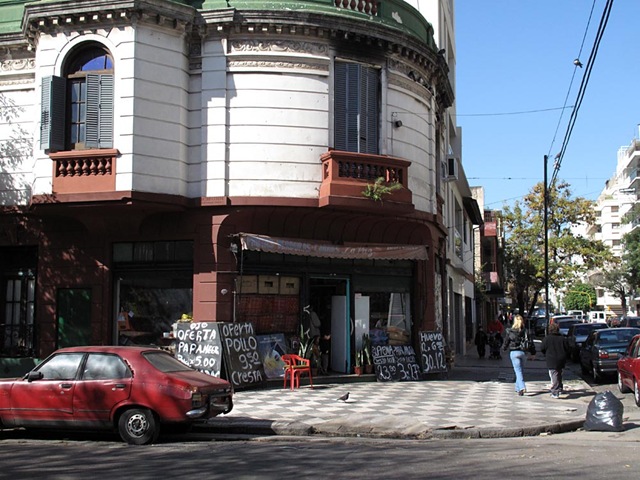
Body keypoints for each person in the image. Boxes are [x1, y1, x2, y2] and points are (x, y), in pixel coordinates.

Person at [502, 314, 531, 396]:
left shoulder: (510, 331)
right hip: (523, 352)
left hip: (514, 352)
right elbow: (530, 342)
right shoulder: (525, 331)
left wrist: (504, 348)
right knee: (520, 371)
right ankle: (518, 388)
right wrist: (533, 352)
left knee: (518, 371)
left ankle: (522, 387)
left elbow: (506, 341)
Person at [540, 322, 571, 398]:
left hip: (551, 359)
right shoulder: (562, 338)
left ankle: (555, 391)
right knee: (559, 373)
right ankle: (559, 387)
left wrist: (546, 353)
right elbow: (567, 348)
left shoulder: (547, 339)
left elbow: (542, 348)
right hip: (561, 358)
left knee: (554, 374)